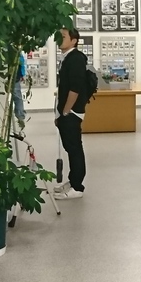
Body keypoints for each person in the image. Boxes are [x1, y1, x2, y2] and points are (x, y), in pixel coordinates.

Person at [54, 27, 88, 200]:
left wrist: (66, 111)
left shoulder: (76, 59)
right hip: (66, 112)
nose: (59, 39)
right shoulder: (68, 57)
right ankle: (73, 180)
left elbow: (75, 88)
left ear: (74, 40)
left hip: (72, 112)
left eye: (63, 36)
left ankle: (77, 186)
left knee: (74, 148)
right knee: (70, 147)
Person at [12, 51, 27, 127]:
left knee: (17, 97)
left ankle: (20, 116)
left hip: (15, 77)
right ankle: (20, 116)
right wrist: (23, 74)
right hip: (14, 77)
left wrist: (22, 74)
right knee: (18, 97)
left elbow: (22, 63)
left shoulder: (17, 52)